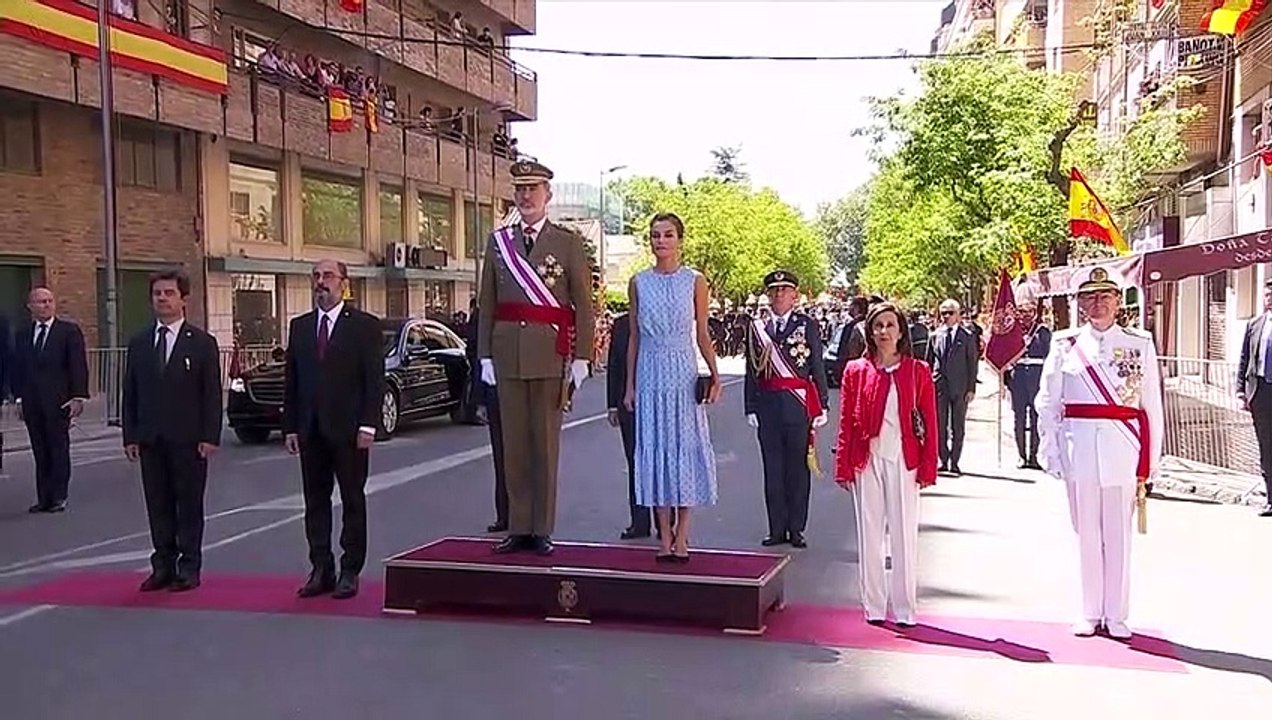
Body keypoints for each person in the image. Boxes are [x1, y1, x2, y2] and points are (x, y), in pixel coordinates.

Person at [1035, 266, 1163, 639]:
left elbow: (1151, 406)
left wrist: (1149, 462)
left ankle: (1117, 613)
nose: (1098, 303)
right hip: (1079, 449)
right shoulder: (1064, 344)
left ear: (1118, 301)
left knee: (1118, 535)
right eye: (1090, 297)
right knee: (1086, 532)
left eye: (1105, 296)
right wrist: (1052, 450)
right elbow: (1049, 400)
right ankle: (1090, 611)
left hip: (1123, 447)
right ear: (1080, 304)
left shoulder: (1140, 343)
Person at [477, 160, 596, 556]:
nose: (526, 196)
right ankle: (519, 525)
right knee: (513, 445)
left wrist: (582, 357)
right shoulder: (499, 242)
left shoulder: (567, 242)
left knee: (544, 445)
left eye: (534, 189)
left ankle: (541, 527)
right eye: (520, 189)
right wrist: (485, 356)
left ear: (549, 195)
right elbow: (488, 301)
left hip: (550, 354)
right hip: (508, 354)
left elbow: (583, 302)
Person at [283, 259, 385, 600]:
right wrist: (291, 427)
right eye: (316, 276)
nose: (320, 282)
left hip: (350, 430)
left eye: (327, 276)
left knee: (352, 500)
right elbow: (293, 382)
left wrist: (369, 424)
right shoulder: (299, 327)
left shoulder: (364, 326)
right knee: (315, 502)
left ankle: (350, 570)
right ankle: (321, 568)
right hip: (311, 430)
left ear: (344, 283)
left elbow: (374, 380)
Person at [834, 302, 939, 627]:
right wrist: (843, 463)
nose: (883, 332)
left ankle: (906, 607)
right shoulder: (856, 370)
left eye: (890, 325)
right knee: (870, 535)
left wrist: (928, 467)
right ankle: (874, 606)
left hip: (905, 460)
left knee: (904, 535)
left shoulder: (918, 371)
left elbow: (931, 422)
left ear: (901, 330)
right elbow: (846, 421)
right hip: (867, 460)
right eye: (877, 326)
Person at [623, 213, 721, 560]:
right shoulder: (638, 282)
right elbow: (633, 337)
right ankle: (663, 536)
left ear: (680, 239)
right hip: (650, 371)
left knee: (684, 448)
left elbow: (703, 333)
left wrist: (714, 374)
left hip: (682, 371)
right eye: (654, 235)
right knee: (655, 449)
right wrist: (630, 385)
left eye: (667, 235)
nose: (660, 241)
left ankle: (683, 534)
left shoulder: (695, 281)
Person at [122, 269, 223, 592]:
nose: (162, 299)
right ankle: (162, 565)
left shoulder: (202, 343)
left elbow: (211, 394)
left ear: (183, 300)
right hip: (152, 438)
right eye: (157, 294)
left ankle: (189, 567)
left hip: (189, 439)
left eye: (168, 293)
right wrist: (131, 435)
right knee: (158, 504)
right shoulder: (139, 343)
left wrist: (210, 436)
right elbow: (131, 392)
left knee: (188, 505)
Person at [744, 270, 829, 548]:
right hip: (768, 406)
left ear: (795, 295)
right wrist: (750, 405)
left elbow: (816, 363)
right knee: (773, 470)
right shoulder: (757, 327)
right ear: (768, 295)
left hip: (797, 406)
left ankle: (796, 528)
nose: (779, 294)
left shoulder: (807, 325)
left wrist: (823, 404)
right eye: (775, 290)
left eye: (785, 289)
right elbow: (751, 371)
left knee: (797, 470)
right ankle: (776, 529)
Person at [10, 287, 88, 513]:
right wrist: (19, 399)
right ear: (30, 306)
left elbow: (77, 366)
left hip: (58, 402)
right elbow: (18, 368)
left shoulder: (68, 332)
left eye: (48, 301)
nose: (45, 305)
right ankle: (43, 497)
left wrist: (77, 396)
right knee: (40, 450)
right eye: (40, 302)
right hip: (32, 402)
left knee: (58, 448)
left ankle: (58, 496)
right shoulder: (23, 334)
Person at [607, 309, 654, 539]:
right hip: (630, 403)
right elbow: (614, 365)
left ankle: (668, 522)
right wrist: (612, 405)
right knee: (636, 462)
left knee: (660, 461)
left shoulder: (658, 318)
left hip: (657, 400)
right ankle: (639, 522)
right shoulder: (622, 324)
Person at [926, 298, 979, 475]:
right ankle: (944, 458)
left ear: (958, 315)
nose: (946, 316)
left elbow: (972, 363)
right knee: (939, 425)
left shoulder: (967, 336)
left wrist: (971, 388)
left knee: (958, 426)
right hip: (939, 386)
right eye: (943, 313)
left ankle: (955, 462)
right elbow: (928, 362)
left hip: (961, 387)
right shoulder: (935, 335)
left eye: (950, 313)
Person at [470, 303, 510, 533]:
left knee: (527, 458)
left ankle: (530, 519)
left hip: (525, 389)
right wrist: (480, 399)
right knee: (502, 458)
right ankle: (505, 515)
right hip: (495, 391)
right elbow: (479, 354)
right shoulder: (485, 313)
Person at [1004, 283, 1051, 470]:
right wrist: (1006, 377)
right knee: (1019, 419)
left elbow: (1048, 357)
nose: (1025, 315)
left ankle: (1035, 456)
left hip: (1037, 379)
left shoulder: (1043, 332)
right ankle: (1022, 456)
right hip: (1018, 380)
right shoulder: (1012, 332)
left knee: (1036, 417)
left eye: (1029, 311)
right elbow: (1006, 356)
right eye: (1022, 311)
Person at [1235, 279, 1272, 517]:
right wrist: (1240, 391)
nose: (1270, 300)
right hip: (1260, 392)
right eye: (1267, 296)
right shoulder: (1255, 325)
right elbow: (1244, 359)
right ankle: (1271, 499)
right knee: (1267, 447)